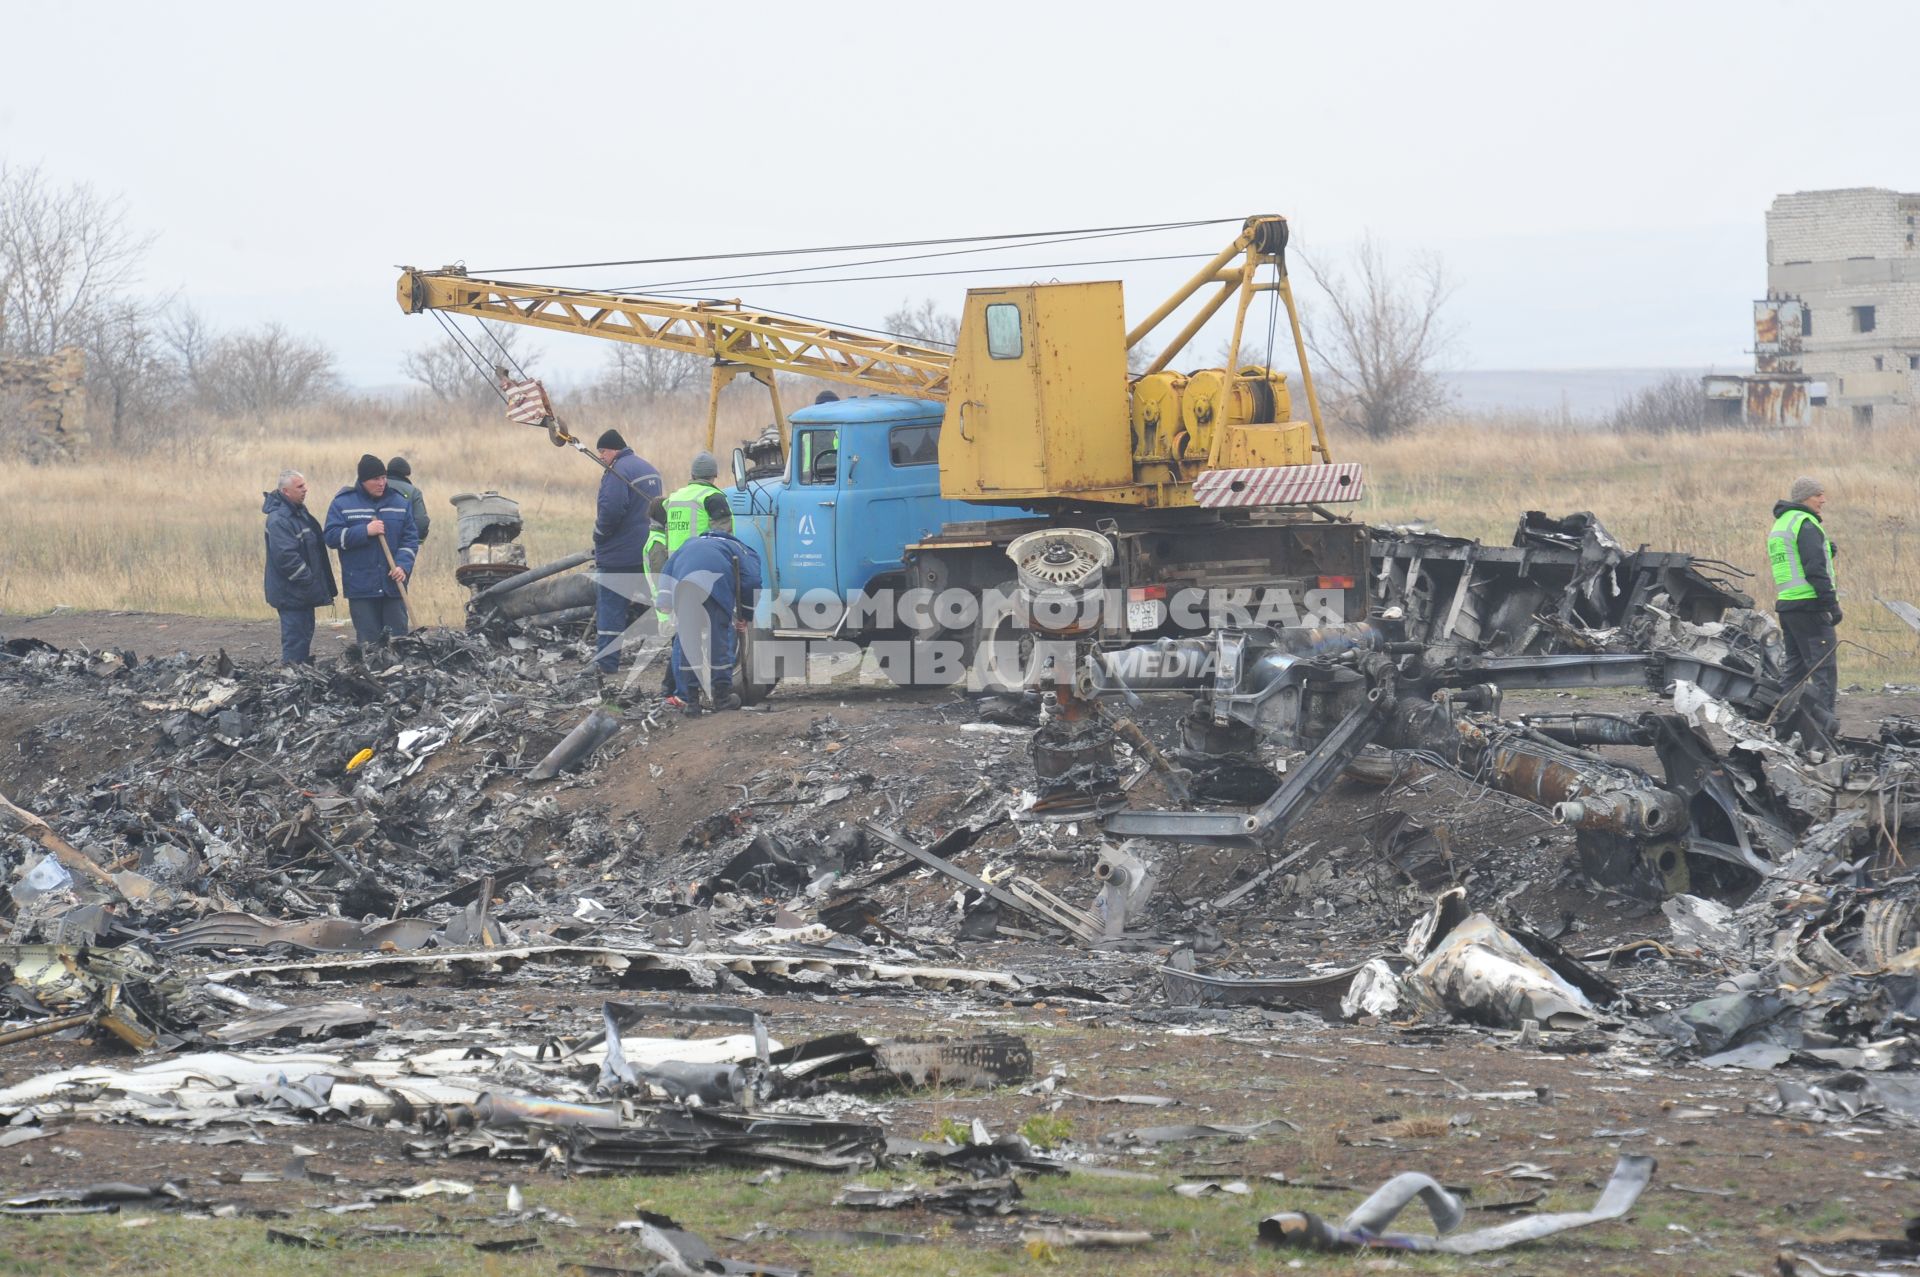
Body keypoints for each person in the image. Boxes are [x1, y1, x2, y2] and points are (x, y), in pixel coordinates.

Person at [1769, 475, 1841, 740]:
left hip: (1789, 609)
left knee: (1794, 672)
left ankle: (1778, 724)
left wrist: (1825, 551)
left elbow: (1796, 561)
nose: (1823, 500)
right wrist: (1830, 604)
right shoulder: (1806, 523)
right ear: (1804, 498)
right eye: (1818, 495)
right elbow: (1814, 569)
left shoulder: (1782, 524)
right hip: (1811, 608)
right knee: (1824, 671)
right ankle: (1824, 733)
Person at [324, 454, 420, 646]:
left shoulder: (400, 503)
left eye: (384, 477)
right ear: (363, 480)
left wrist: (403, 566)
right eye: (376, 479)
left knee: (398, 643)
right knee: (369, 644)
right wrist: (364, 531)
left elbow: (410, 539)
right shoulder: (343, 503)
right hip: (361, 588)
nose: (382, 483)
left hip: (393, 587)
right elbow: (331, 537)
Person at [662, 528, 762, 713]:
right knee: (719, 641)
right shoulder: (739, 548)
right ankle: (722, 698)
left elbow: (667, 569)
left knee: (688, 643)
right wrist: (746, 615)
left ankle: (691, 702)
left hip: (685, 589)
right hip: (715, 590)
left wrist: (665, 600)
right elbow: (753, 581)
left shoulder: (689, 544)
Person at [591, 429, 664, 678]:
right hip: (648, 551)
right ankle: (676, 654)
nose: (601, 457)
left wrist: (599, 534)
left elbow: (610, 510)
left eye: (602, 452)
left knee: (611, 609)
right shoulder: (649, 469)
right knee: (660, 604)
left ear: (613, 450)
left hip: (618, 555)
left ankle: (607, 664)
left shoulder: (617, 472)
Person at [262, 469, 337, 664]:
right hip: (292, 594)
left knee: (303, 639)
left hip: (302, 594)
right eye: (300, 487)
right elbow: (286, 558)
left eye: (305, 485)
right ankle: (291, 683)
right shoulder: (279, 519)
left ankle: (300, 678)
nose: (306, 490)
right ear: (286, 492)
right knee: (295, 644)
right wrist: (309, 580)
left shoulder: (298, 512)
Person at [662, 451, 732, 554]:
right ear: (715, 475)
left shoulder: (673, 498)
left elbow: (667, 536)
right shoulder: (713, 498)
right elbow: (723, 540)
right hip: (701, 564)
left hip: (675, 564)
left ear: (692, 474)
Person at [386, 456, 431, 543]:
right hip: (404, 543)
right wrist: (416, 540)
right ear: (406, 474)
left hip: (378, 542)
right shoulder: (414, 491)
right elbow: (421, 521)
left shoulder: (377, 486)